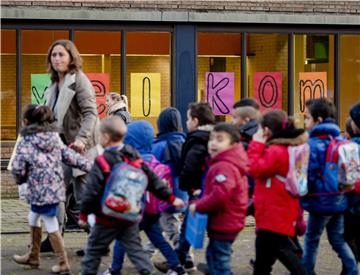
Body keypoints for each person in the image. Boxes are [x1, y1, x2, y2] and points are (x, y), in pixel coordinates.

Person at [79, 116, 185, 275]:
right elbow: (154, 180)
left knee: (95, 249)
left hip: (108, 215)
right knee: (136, 247)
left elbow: (91, 191)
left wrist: (83, 215)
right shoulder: (136, 158)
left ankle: (96, 271)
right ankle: (151, 270)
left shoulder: (103, 161)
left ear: (106, 137)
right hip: (133, 212)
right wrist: (171, 198)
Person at [11, 104, 92, 274]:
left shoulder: (26, 141)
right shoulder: (55, 138)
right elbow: (70, 157)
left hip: (39, 192)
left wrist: (20, 180)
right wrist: (91, 165)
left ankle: (63, 263)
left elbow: (18, 167)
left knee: (50, 223)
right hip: (54, 190)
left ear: (26, 122)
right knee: (33, 218)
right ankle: (33, 255)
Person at [43, 39, 99, 252]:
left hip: (81, 148)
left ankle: (97, 240)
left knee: (83, 196)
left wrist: (82, 139)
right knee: (55, 193)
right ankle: (54, 239)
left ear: (71, 57)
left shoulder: (79, 80)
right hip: (60, 148)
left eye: (61, 55)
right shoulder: (54, 83)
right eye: (54, 55)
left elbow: (90, 113)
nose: (57, 58)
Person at [300, 98, 358, 275]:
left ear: (318, 120)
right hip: (339, 199)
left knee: (311, 239)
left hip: (320, 202)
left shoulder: (312, 145)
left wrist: (304, 192)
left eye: (307, 118)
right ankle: (353, 270)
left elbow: (307, 176)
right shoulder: (341, 140)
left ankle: (306, 271)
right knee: (337, 239)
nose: (305, 122)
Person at [248, 110, 308, 275]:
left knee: (275, 260)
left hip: (272, 215)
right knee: (264, 262)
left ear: (266, 130)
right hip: (277, 212)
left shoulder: (276, 150)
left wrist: (256, 144)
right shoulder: (288, 148)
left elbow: (255, 169)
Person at [189, 123, 248, 275]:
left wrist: (199, 205)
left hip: (225, 222)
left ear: (232, 144)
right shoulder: (224, 162)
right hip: (225, 220)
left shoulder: (224, 165)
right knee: (213, 256)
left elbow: (221, 195)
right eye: (212, 139)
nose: (213, 143)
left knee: (220, 261)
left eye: (220, 140)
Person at [152, 107, 188, 249]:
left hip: (165, 194)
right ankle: (148, 252)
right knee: (163, 224)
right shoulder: (185, 144)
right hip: (183, 193)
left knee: (169, 225)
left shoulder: (159, 146)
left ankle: (183, 254)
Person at [340, 103, 360, 275]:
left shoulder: (350, 148)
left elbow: (349, 180)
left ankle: (349, 271)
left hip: (354, 203)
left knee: (347, 238)